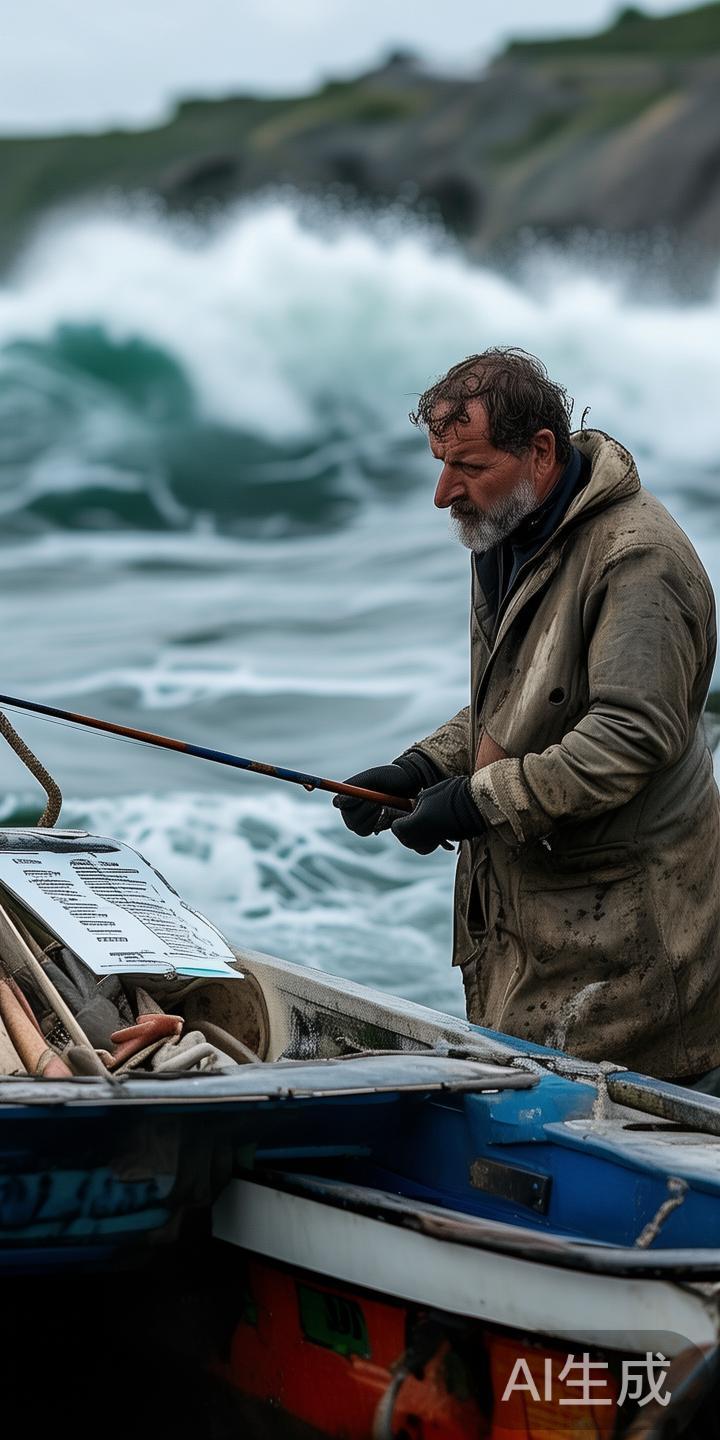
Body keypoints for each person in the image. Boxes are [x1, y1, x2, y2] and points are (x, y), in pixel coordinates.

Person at [334, 347, 720, 1082]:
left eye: (469, 466)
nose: (443, 493)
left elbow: (629, 739)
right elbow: (522, 698)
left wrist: (475, 802)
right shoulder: (509, 532)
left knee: (615, 1115)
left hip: (630, 944)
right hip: (541, 930)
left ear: (541, 451)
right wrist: (422, 767)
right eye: (441, 464)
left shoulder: (638, 560)